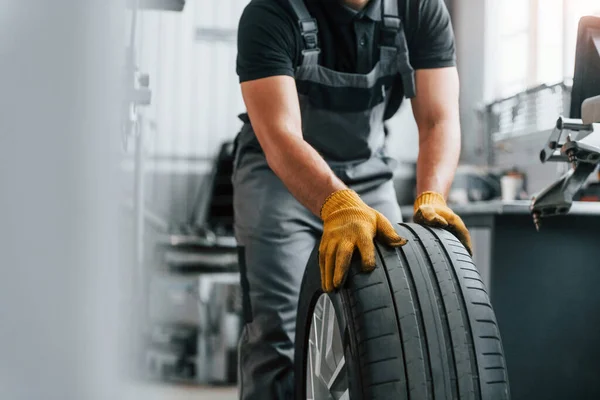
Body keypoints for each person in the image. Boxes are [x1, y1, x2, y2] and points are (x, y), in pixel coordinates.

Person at [232, 0, 472, 398]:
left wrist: (432, 194)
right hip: (277, 176)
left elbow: (439, 118)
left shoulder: (420, 9)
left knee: (395, 319)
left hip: (369, 173)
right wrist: (336, 203)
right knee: (275, 335)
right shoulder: (271, 12)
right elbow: (279, 134)